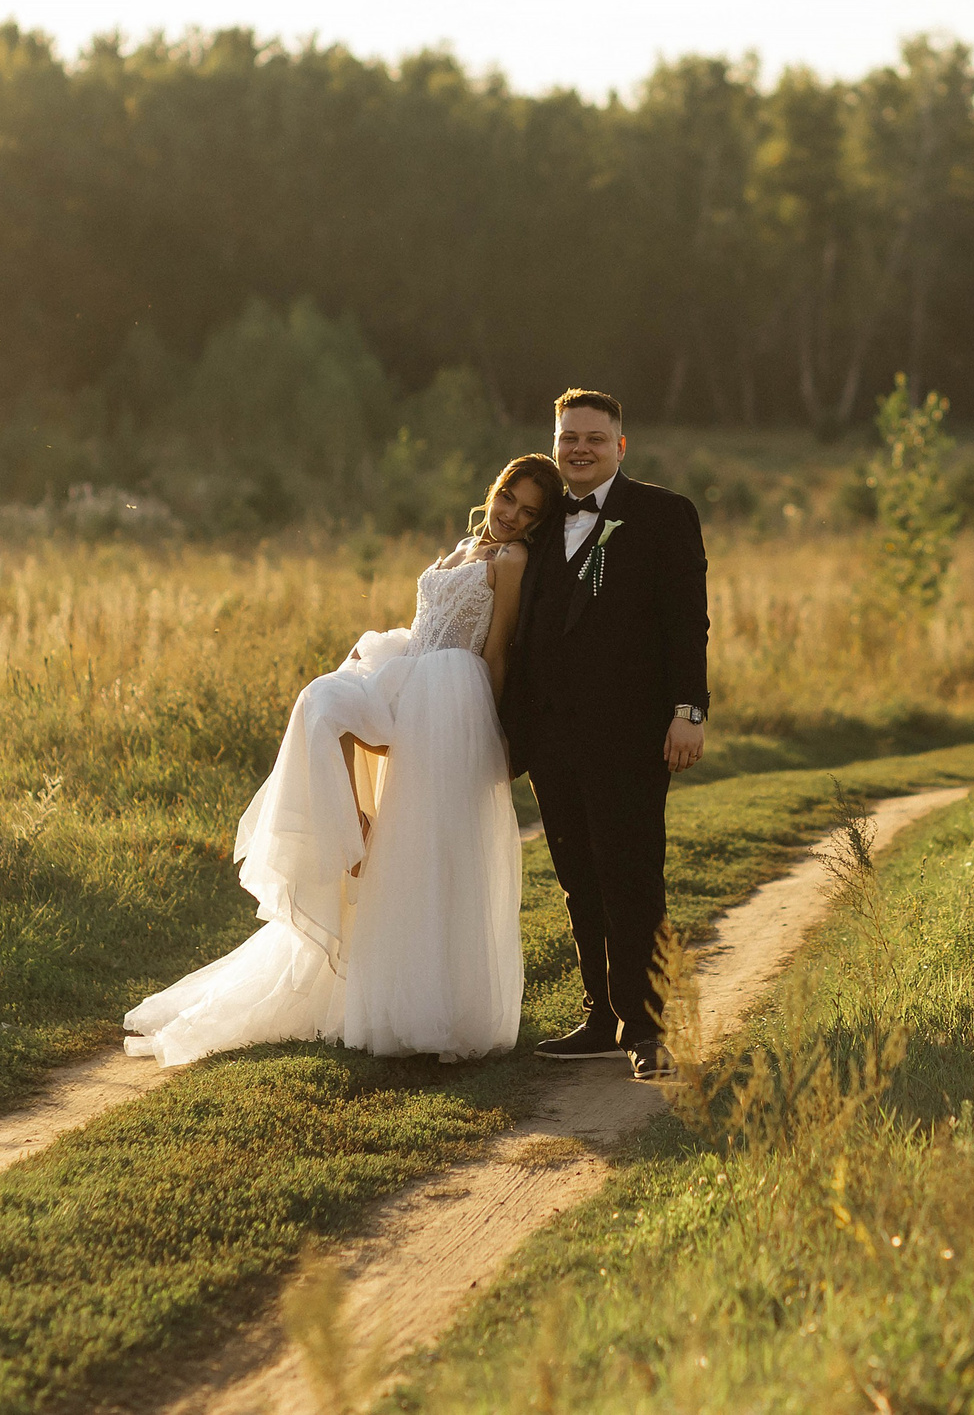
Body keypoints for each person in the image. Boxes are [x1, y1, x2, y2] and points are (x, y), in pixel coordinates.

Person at [123, 455, 565, 1066]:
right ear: (495, 491)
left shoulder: (509, 561)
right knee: (322, 702)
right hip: (412, 668)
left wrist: (493, 733)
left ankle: (425, 1001)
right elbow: (427, 623)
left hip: (451, 696)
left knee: (423, 847)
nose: (511, 515)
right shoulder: (466, 546)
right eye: (508, 498)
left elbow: (496, 652)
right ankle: (351, 823)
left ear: (538, 523)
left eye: (528, 512)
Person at [502, 389, 710, 1081]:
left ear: (620, 446)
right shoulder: (542, 520)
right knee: (578, 882)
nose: (580, 449)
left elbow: (688, 622)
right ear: (555, 444)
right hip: (550, 739)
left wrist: (690, 710)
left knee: (631, 879)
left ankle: (647, 1030)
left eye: (594, 438)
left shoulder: (663, 514)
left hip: (631, 737)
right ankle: (600, 1019)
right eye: (569, 438)